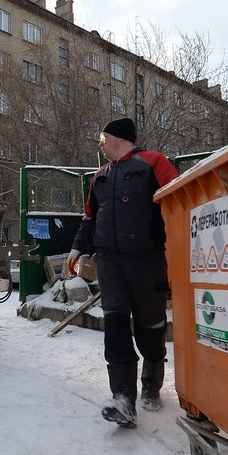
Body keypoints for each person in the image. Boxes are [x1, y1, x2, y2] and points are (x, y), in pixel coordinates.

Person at [66, 117, 179, 428]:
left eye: (102, 138)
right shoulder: (99, 176)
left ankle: (151, 385)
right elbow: (90, 218)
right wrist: (76, 249)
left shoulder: (153, 162)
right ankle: (123, 398)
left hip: (149, 260)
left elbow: (179, 199)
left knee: (150, 328)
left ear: (116, 138)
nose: (100, 144)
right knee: (115, 325)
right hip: (110, 262)